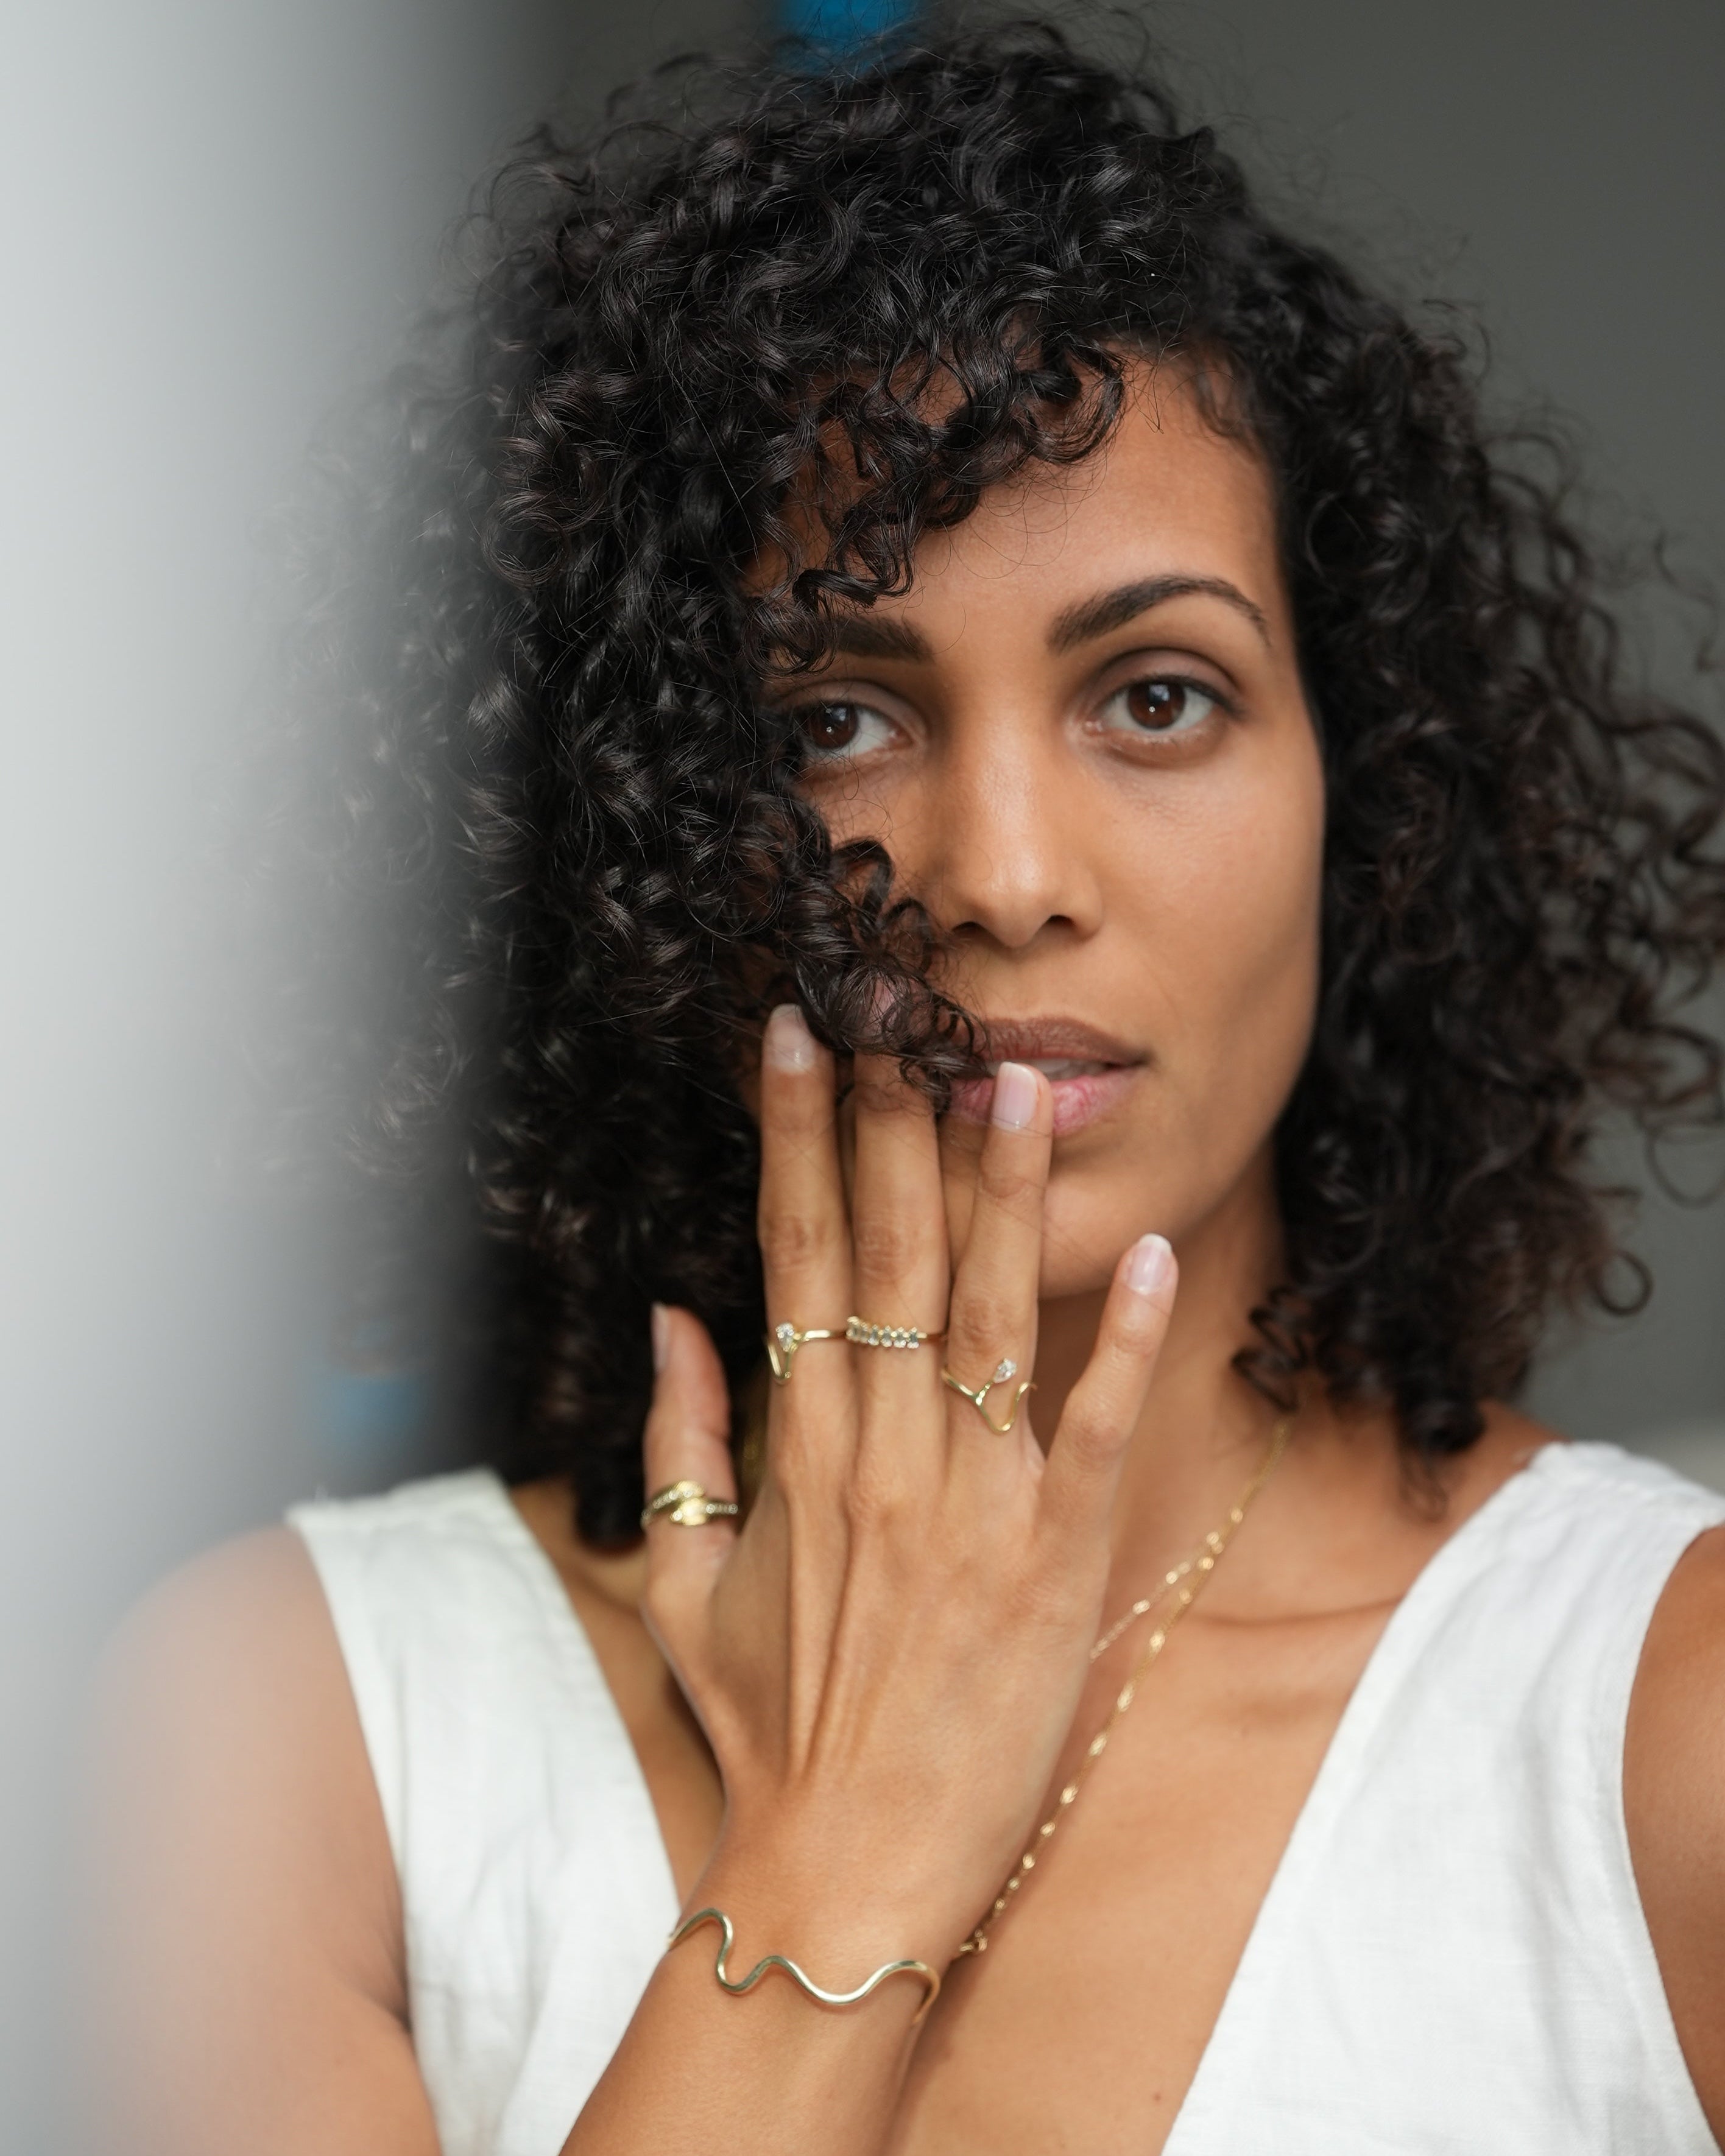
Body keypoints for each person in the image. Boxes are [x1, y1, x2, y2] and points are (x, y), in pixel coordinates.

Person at [92, 23, 1725, 2155]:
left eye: (1159, 694)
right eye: (843, 717)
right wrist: (852, 1837)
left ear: (1373, 795)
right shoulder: (278, 1736)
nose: (1003, 879)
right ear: (644, 827)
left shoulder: (1661, 1731)